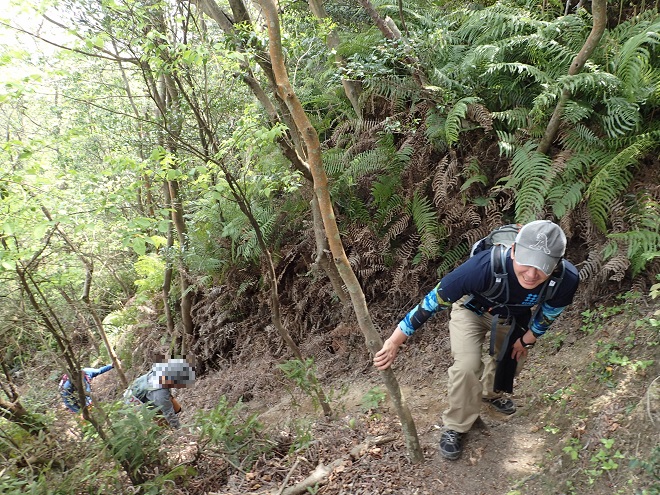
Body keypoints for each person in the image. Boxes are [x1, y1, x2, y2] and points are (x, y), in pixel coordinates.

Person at [374, 220, 580, 460]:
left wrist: (526, 340)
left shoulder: (566, 280)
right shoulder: (482, 268)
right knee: (466, 366)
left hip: (512, 316)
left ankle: (490, 394)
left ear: (557, 264)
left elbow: (549, 313)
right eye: (527, 262)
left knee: (512, 359)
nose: (532, 274)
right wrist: (395, 341)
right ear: (513, 251)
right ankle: (456, 426)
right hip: (471, 310)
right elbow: (432, 302)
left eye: (543, 267)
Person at [123, 359, 195, 429]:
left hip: (145, 393)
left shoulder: (161, 371)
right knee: (159, 421)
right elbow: (169, 413)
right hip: (133, 402)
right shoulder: (161, 393)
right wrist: (178, 429)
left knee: (175, 408)